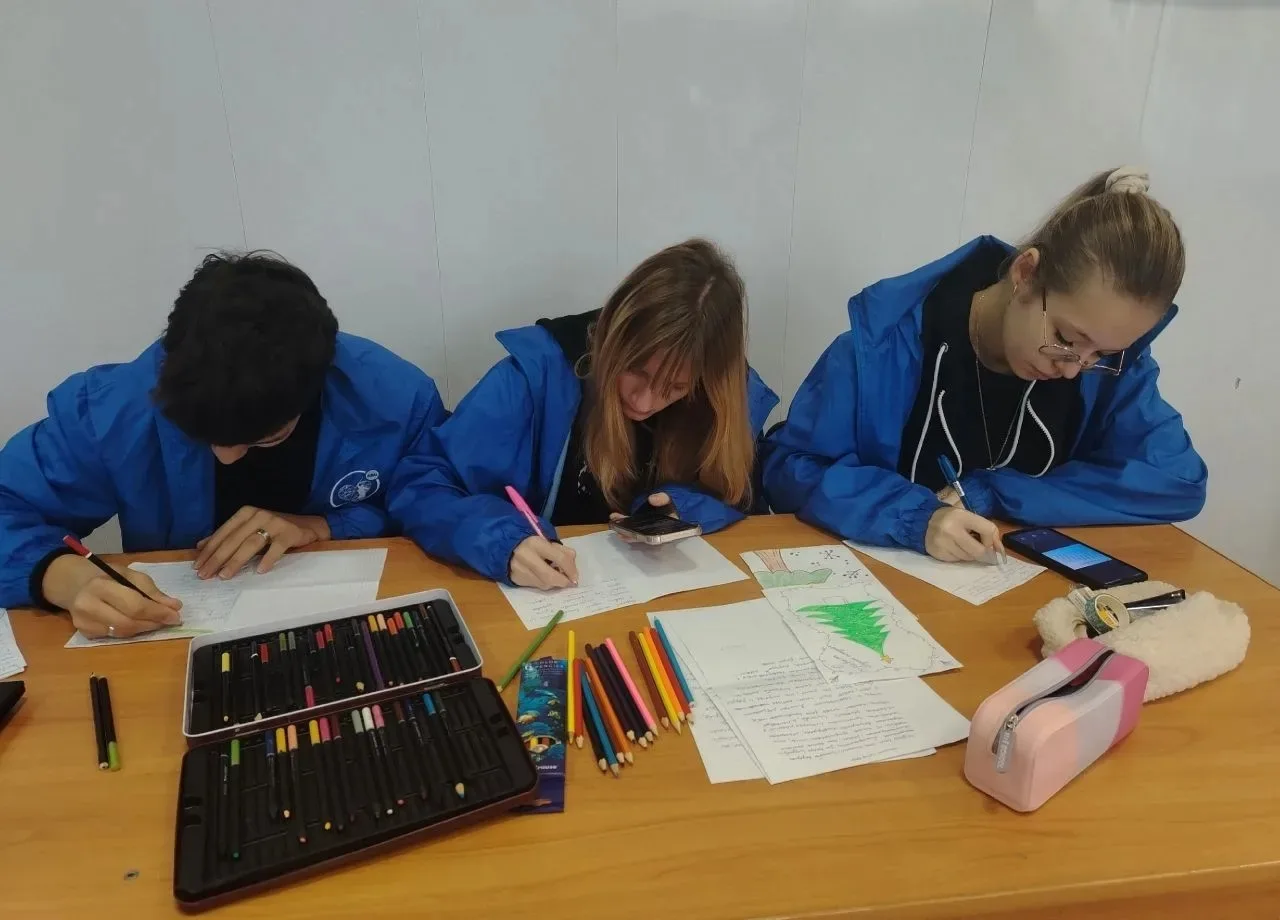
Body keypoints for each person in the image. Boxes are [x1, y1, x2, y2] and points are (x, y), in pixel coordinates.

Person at [762, 167, 1207, 562]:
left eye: (1101, 355)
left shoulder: (1111, 365)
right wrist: (915, 517)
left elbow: (1176, 481)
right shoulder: (888, 344)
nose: (1074, 369)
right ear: (1025, 274)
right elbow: (790, 468)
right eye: (1065, 339)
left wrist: (998, 492)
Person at [0, 252, 447, 638]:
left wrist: (326, 526)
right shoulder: (111, 412)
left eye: (264, 438)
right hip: (182, 642)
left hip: (354, 630)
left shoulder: (393, 399)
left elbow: (436, 498)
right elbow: (8, 503)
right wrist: (62, 577)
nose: (226, 457)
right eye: (200, 435)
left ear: (318, 384)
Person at [390, 238, 778, 588]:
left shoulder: (726, 396)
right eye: (636, 370)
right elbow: (422, 483)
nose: (644, 403)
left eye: (676, 388)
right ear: (612, 335)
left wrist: (682, 510)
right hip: (542, 596)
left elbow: (742, 495)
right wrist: (503, 542)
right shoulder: (535, 376)